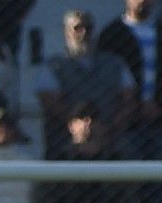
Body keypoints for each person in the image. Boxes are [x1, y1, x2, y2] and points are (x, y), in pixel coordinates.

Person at [98, 0, 162, 203]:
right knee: (129, 182)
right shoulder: (113, 34)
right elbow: (107, 76)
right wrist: (130, 108)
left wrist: (161, 105)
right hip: (127, 124)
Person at [35, 10, 134, 155]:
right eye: (78, 28)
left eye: (89, 28)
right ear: (66, 32)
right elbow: (50, 102)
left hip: (110, 139)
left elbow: (130, 100)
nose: (84, 33)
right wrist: (79, 126)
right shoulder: (54, 66)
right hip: (65, 141)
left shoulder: (114, 63)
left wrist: (108, 127)